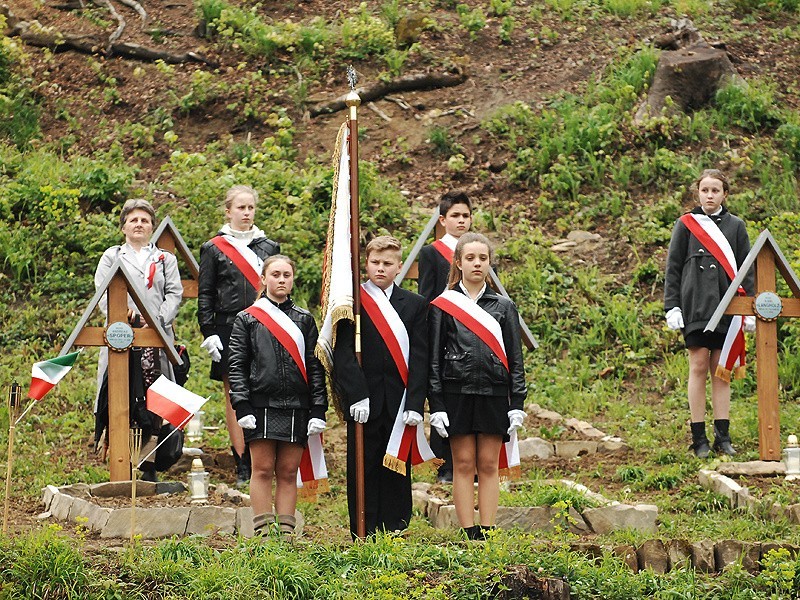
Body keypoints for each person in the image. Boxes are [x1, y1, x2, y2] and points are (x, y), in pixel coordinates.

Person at [427, 232, 527, 540]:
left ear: (489, 263)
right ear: (458, 262)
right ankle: (468, 531)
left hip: (494, 394)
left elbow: (516, 358)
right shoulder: (443, 305)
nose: (477, 264)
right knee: (464, 463)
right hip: (457, 394)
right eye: (470, 258)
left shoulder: (504, 307)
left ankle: (488, 529)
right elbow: (433, 360)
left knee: (487, 464)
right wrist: (438, 405)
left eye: (482, 258)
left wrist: (517, 404)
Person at [333, 236, 428, 538]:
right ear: (366, 263)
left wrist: (415, 404)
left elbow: (421, 358)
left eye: (388, 263)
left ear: (400, 266)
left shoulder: (415, 305)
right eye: (375, 262)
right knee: (364, 467)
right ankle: (363, 529)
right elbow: (343, 353)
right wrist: (356, 394)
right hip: (364, 402)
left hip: (399, 402)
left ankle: (395, 528)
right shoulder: (353, 303)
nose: (381, 268)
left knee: (397, 467)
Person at [227, 255, 327, 537]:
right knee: (261, 469)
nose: (281, 279)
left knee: (287, 470)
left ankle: (285, 535)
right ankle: (262, 533)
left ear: (292, 279)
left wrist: (319, 408)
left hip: (297, 405)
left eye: (286, 275)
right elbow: (237, 364)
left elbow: (315, 366)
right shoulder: (247, 319)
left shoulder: (305, 320)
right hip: (260, 404)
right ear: (264, 279)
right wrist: (242, 404)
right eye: (275, 274)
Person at [664, 169, 754, 458]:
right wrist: (672, 305)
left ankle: (723, 437)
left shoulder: (736, 226)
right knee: (699, 366)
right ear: (698, 193)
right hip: (696, 306)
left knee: (722, 371)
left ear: (725, 194)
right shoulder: (686, 225)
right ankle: (698, 438)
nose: (710, 195)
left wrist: (749, 307)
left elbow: (746, 268)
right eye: (705, 190)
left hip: (727, 308)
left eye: (716, 190)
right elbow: (673, 268)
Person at [94, 198, 183, 481]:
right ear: (123, 227)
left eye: (144, 220)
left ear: (152, 227)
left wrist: (156, 319)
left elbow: (175, 294)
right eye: (133, 220)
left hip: (155, 339)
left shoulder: (165, 259)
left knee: (154, 402)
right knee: (121, 397)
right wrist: (124, 316)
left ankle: (148, 464)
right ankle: (121, 459)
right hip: (122, 338)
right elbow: (103, 292)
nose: (139, 224)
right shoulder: (112, 256)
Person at [197, 185, 280, 486]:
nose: (246, 213)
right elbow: (205, 293)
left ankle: (262, 456)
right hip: (227, 327)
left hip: (263, 324)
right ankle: (241, 460)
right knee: (235, 393)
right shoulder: (214, 248)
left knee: (263, 389)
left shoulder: (269, 247)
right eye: (241, 208)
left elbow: (278, 289)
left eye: (251, 208)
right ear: (228, 210)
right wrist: (208, 331)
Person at [417, 190, 473, 483]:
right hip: (443, 333)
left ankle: (469, 463)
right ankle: (443, 464)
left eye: (465, 216)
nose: (461, 220)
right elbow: (426, 296)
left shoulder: (478, 252)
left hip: (473, 338)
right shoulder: (431, 253)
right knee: (442, 398)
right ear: (443, 219)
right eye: (455, 216)